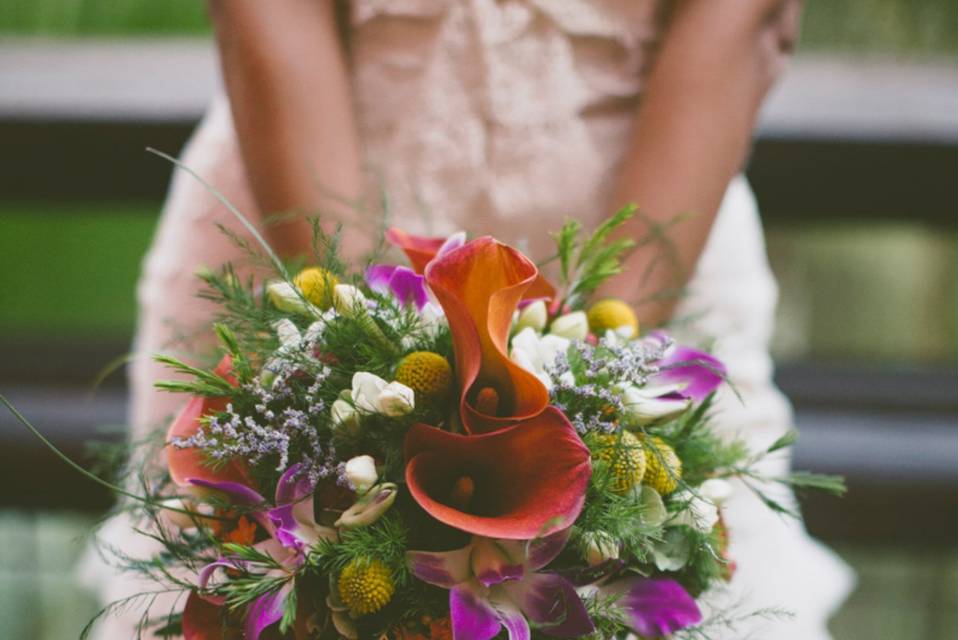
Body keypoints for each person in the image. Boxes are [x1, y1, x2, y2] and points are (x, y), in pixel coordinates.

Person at [84, 1, 853, 637]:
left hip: (653, 242)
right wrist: (349, 344)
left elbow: (740, 18)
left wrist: (591, 378)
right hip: (299, 219)